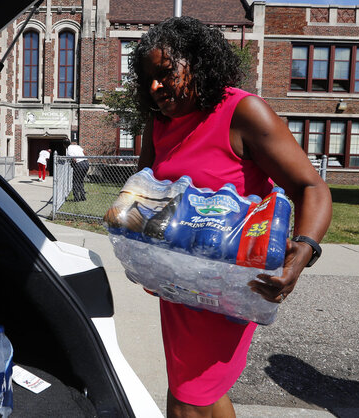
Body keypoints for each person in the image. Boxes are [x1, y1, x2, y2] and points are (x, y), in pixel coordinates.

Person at [131, 17, 332, 417]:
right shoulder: (160, 122)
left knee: (188, 399)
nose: (155, 87)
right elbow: (144, 191)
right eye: (148, 79)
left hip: (228, 286)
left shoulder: (244, 112)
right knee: (199, 391)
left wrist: (303, 251)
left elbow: (311, 187)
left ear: (197, 63)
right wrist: (145, 255)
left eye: (165, 73)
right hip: (178, 281)